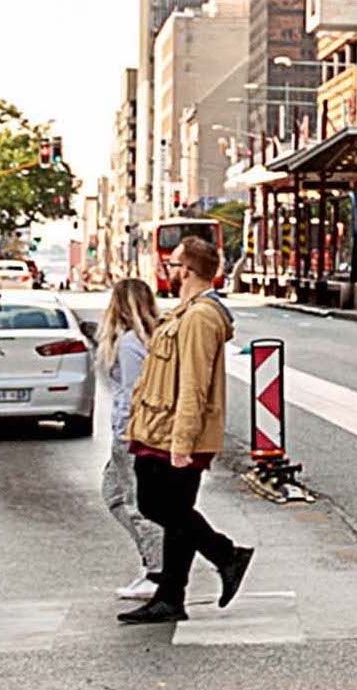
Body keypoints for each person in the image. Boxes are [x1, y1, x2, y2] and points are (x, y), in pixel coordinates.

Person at [118, 236, 255, 624]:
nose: (169, 269)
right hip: (159, 426)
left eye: (174, 264)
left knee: (159, 506)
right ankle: (171, 597)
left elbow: (194, 384)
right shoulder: (186, 311)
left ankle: (226, 555)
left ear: (189, 271)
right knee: (175, 512)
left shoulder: (199, 318)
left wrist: (183, 441)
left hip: (175, 431)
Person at [96, 278, 166, 602]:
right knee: (114, 494)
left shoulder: (127, 344)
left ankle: (157, 571)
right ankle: (153, 561)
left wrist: (123, 434)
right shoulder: (149, 338)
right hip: (140, 431)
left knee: (137, 504)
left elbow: (131, 393)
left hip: (131, 432)